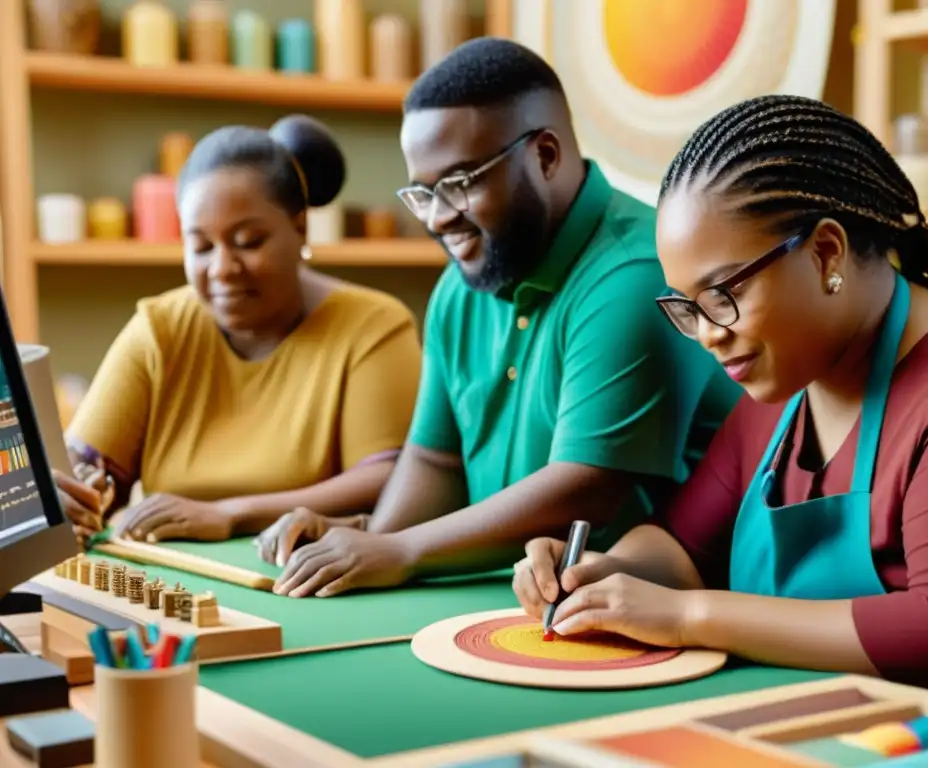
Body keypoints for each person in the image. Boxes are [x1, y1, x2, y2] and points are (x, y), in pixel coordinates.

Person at [511, 94, 928, 708]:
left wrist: (687, 617)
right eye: (685, 306)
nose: (707, 332)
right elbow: (684, 546)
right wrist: (603, 574)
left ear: (825, 252)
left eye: (723, 293)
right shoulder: (789, 369)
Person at [255, 38, 740, 596]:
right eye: (423, 192)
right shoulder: (463, 285)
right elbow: (436, 462)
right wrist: (367, 538)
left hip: (643, 613)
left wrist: (397, 550)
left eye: (460, 184)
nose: (439, 218)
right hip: (515, 597)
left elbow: (585, 490)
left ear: (546, 155)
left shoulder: (635, 273)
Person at [58, 114, 422, 544]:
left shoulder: (371, 325)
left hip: (307, 579)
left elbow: (387, 478)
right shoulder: (159, 329)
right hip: (175, 584)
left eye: (249, 242)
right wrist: (66, 494)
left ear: (300, 227)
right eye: (201, 247)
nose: (223, 269)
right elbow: (79, 465)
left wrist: (231, 513)